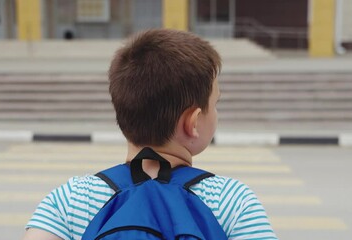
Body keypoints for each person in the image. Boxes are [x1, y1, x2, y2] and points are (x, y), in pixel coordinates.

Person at [22, 29, 278, 240]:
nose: (217, 113)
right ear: (193, 122)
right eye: (215, 104)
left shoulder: (69, 200)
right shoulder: (233, 202)